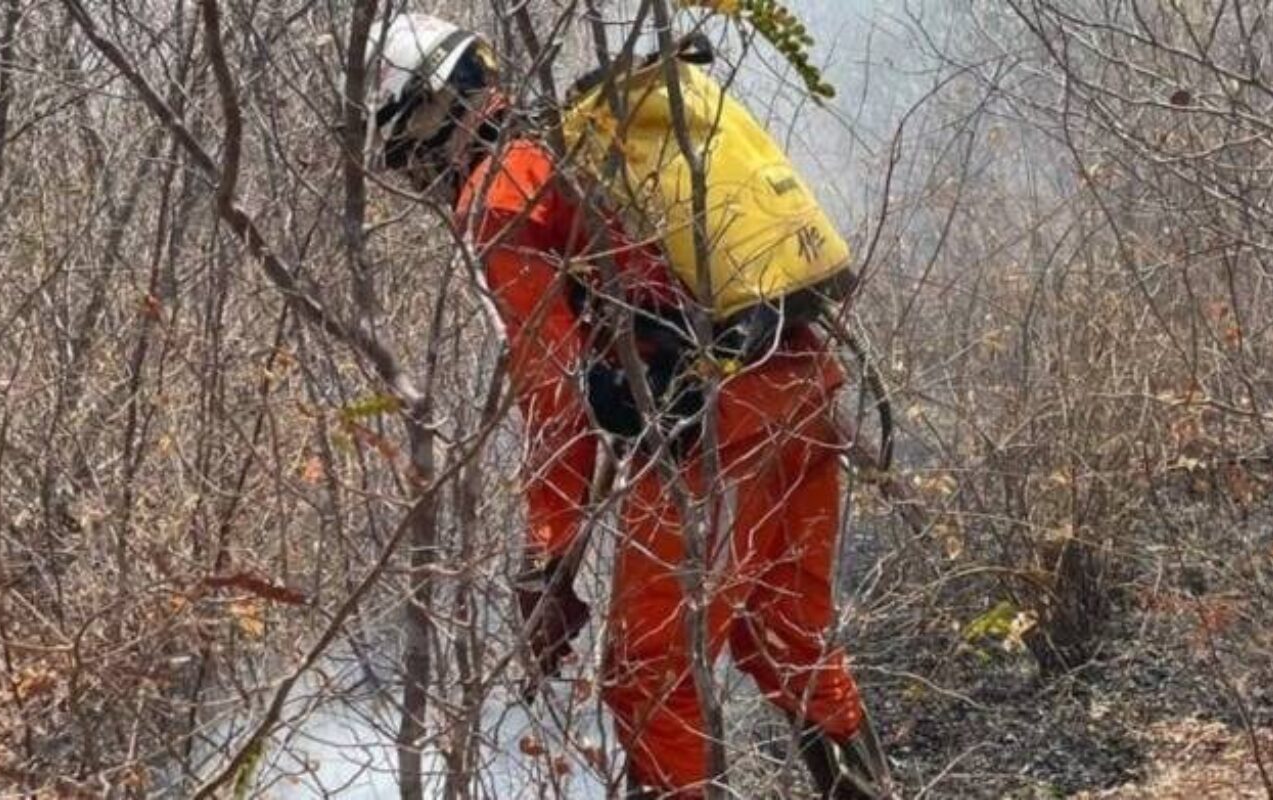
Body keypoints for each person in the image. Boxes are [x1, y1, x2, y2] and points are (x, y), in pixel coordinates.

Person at [366, 14, 893, 799]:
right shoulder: (577, 139)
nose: (424, 177)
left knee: (650, 678)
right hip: (801, 383)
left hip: (716, 428)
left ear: (438, 112)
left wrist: (545, 561)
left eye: (413, 148)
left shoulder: (501, 192)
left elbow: (554, 394)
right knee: (787, 633)